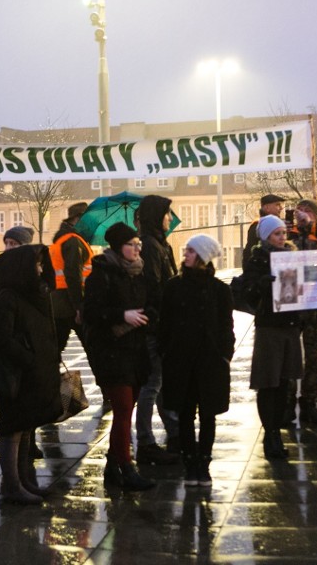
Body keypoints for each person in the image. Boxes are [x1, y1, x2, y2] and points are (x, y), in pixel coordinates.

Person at [0, 244, 62, 504]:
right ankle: (12, 485)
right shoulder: (9, 296)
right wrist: (29, 359)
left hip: (33, 374)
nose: (41, 269)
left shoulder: (35, 293)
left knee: (27, 427)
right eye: (37, 264)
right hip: (17, 375)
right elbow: (2, 338)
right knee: (13, 430)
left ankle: (25, 480)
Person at [84, 223, 156, 491]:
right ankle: (125, 466)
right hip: (111, 351)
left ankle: (114, 465)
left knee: (127, 408)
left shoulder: (139, 272)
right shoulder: (101, 274)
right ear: (117, 247)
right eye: (131, 244)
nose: (137, 249)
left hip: (135, 350)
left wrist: (149, 313)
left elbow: (150, 301)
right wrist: (121, 316)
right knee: (124, 407)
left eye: (138, 244)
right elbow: (92, 312)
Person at [159, 234, 234, 487]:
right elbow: (164, 325)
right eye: (186, 250)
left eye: (191, 251)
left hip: (210, 362)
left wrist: (225, 355)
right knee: (185, 414)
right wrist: (166, 353)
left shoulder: (220, 290)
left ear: (203, 256)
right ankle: (190, 463)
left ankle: (204, 463)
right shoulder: (173, 286)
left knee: (209, 415)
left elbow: (226, 326)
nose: (185, 254)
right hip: (181, 360)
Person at [243, 215, 303, 460]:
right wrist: (261, 285)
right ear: (266, 236)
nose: (282, 237)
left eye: (283, 233)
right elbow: (249, 293)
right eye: (276, 234)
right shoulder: (257, 259)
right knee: (269, 382)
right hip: (270, 326)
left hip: (289, 325)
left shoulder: (293, 256)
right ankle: (271, 433)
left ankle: (276, 430)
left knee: (285, 382)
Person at [135, 194, 180, 464]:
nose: (169, 218)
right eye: (166, 214)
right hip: (157, 325)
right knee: (152, 385)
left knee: (162, 383)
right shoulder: (151, 246)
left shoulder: (159, 243)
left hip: (163, 323)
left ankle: (174, 433)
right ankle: (145, 441)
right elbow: (155, 286)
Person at [284, 199, 317, 427]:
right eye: (301, 211)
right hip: (292, 299)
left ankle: (309, 401)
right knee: (291, 355)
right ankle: (288, 403)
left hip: (314, 300)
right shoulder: (287, 234)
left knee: (314, 356)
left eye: (309, 211)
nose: (304, 215)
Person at [49, 202, 93, 353]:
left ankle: (51, 377)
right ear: (78, 218)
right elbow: (73, 275)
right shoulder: (73, 241)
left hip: (58, 302)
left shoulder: (61, 240)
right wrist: (79, 306)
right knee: (94, 350)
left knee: (54, 352)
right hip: (71, 302)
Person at [243, 194, 285, 267]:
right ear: (267, 207)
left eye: (284, 233)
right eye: (277, 205)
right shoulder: (256, 226)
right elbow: (250, 252)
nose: (281, 208)